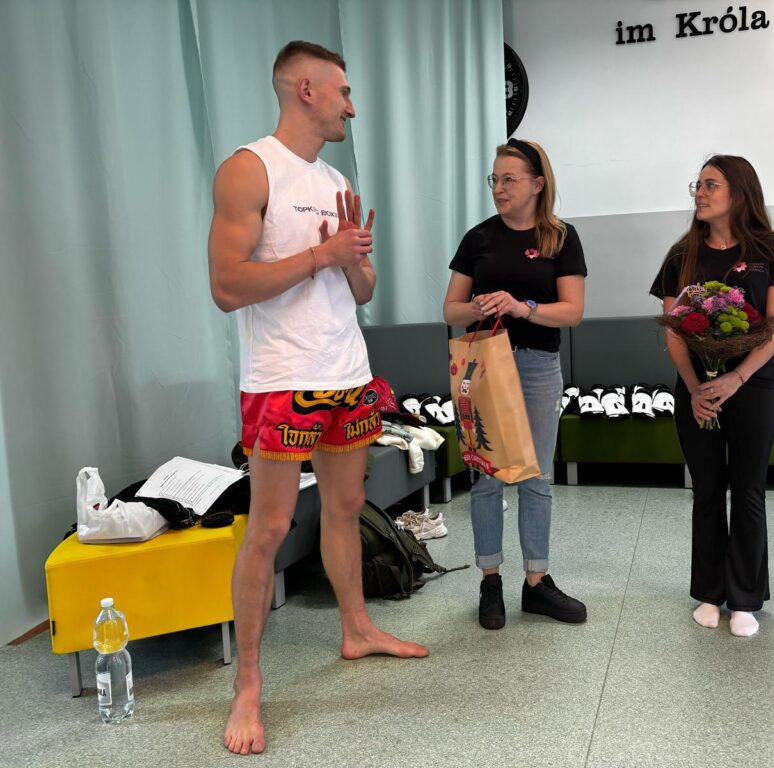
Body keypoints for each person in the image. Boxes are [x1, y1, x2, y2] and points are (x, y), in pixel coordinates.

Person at [208, 41, 427, 755]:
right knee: (270, 527)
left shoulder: (335, 180)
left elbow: (361, 291)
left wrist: (353, 257)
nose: (350, 107)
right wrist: (320, 256)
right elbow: (227, 286)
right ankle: (247, 685)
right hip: (282, 378)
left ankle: (356, 629)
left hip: (347, 370)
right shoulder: (249, 169)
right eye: (343, 92)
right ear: (306, 89)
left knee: (344, 506)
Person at [650, 155, 774, 638]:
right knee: (708, 491)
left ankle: (745, 598)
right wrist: (695, 388)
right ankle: (709, 592)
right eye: (697, 185)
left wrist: (736, 378)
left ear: (738, 192)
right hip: (697, 390)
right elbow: (673, 330)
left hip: (753, 385)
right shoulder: (682, 255)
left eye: (710, 185)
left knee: (749, 489)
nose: (699, 192)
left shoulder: (772, 249)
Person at [443, 139, 587, 630]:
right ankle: (490, 582)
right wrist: (479, 306)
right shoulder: (478, 238)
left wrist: (523, 308)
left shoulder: (561, 238)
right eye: (495, 179)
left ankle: (536, 583)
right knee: (486, 476)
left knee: (535, 476)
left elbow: (572, 311)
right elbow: (450, 309)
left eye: (509, 179)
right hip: (483, 365)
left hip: (538, 366)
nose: (499, 189)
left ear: (537, 184)